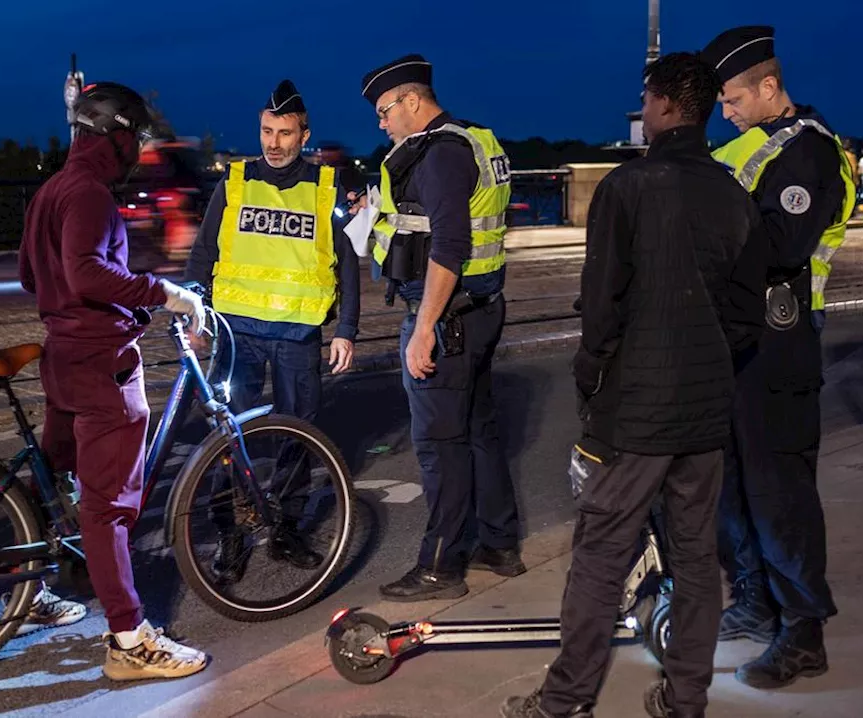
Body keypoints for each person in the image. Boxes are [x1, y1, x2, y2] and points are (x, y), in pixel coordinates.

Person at [500, 52, 768, 718]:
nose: (643, 112)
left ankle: (563, 702)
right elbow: (746, 315)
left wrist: (592, 384)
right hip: (705, 410)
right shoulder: (734, 195)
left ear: (668, 105)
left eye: (646, 100)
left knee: (600, 556)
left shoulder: (627, 189)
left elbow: (602, 309)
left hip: (636, 411)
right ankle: (685, 701)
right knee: (697, 558)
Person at [18, 81, 209, 682]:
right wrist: (165, 293)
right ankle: (129, 638)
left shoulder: (51, 189)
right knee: (108, 508)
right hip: (103, 367)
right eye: (134, 138)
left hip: (62, 359)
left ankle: (21, 593)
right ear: (117, 135)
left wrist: (90, 306)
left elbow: (32, 275)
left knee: (52, 477)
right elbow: (87, 273)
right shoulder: (92, 195)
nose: (137, 150)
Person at [700, 25, 857, 689]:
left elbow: (779, 247)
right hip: (740, 347)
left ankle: (803, 632)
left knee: (779, 494)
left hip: (779, 346)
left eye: (733, 98)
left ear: (769, 86)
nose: (725, 111)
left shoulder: (806, 154)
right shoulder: (755, 148)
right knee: (735, 488)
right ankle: (757, 602)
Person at [358, 54, 524, 601]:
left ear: (412, 100)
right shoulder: (471, 139)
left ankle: (440, 566)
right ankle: (498, 545)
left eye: (385, 111)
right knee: (479, 430)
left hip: (448, 317)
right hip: (479, 310)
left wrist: (424, 326)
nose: (381, 123)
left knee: (439, 444)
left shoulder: (441, 156)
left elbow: (449, 246)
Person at [184, 79, 361, 582]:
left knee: (297, 437)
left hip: (297, 337)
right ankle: (231, 535)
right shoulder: (234, 182)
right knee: (226, 441)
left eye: (285, 133)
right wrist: (197, 315)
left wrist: (346, 328)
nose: (274, 143)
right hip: (236, 334)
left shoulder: (326, 188)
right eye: (267, 131)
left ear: (304, 134)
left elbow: (346, 263)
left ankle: (284, 529)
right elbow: (203, 254)